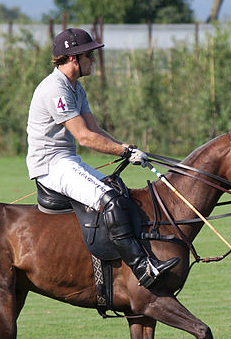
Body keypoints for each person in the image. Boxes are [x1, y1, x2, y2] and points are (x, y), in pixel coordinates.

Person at [26, 28, 179, 288]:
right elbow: (84, 137)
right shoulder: (55, 89)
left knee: (120, 193)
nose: (94, 60)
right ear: (74, 57)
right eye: (90, 55)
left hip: (66, 161)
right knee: (110, 201)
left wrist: (126, 148)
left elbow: (95, 130)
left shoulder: (75, 88)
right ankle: (142, 268)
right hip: (51, 165)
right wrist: (123, 152)